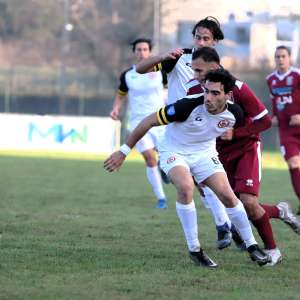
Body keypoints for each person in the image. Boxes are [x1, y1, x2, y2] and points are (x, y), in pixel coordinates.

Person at [104, 68, 271, 268]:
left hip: (204, 154)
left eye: (215, 93)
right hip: (174, 151)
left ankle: (252, 246)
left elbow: (247, 129)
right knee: (186, 187)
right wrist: (123, 151)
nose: (208, 97)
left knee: (228, 196)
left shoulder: (235, 113)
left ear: (228, 95)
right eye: (206, 90)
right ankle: (195, 250)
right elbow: (148, 121)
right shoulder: (187, 106)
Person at [187, 47, 300, 266]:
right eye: (194, 70)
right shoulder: (193, 91)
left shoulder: (238, 88)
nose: (196, 76)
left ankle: (272, 250)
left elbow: (265, 121)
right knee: (236, 206)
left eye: (200, 71)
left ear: (215, 67)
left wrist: (235, 133)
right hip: (217, 154)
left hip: (246, 148)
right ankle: (280, 211)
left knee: (248, 202)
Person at [136, 16, 235, 248]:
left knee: (207, 182)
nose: (201, 42)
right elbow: (140, 69)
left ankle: (225, 226)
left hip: (203, 129)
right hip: (178, 128)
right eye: (198, 37)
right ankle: (224, 227)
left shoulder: (217, 68)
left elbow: (228, 97)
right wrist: (161, 56)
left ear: (215, 42)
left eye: (206, 38)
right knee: (194, 182)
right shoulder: (179, 57)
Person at [110, 37, 168, 209]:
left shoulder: (161, 71)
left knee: (166, 157)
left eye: (145, 49)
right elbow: (121, 94)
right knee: (150, 158)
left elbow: (171, 88)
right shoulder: (128, 75)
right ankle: (161, 198)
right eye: (138, 50)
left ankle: (164, 167)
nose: (142, 52)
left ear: (149, 51)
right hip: (138, 123)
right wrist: (116, 109)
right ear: (134, 52)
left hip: (160, 120)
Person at [266, 45, 300, 215]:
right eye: (277, 56)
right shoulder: (270, 79)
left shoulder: (297, 75)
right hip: (286, 131)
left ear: (289, 58)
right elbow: (275, 101)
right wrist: (274, 116)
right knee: (293, 164)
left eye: (283, 56)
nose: (280, 59)